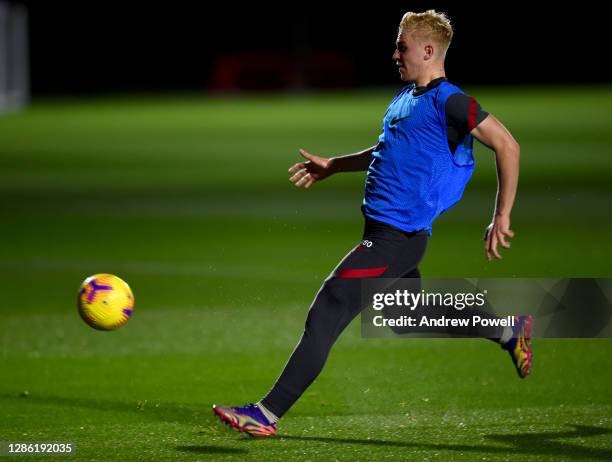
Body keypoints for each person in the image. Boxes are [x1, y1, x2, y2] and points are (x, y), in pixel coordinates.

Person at [213, 10, 530, 438]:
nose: (394, 53)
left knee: (330, 305)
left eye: (402, 46)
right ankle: (507, 329)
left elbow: (508, 146)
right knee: (409, 314)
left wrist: (501, 215)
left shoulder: (451, 101)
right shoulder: (405, 99)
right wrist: (334, 165)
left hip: (395, 240)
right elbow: (385, 150)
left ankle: (266, 413)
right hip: (388, 236)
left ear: (428, 50)